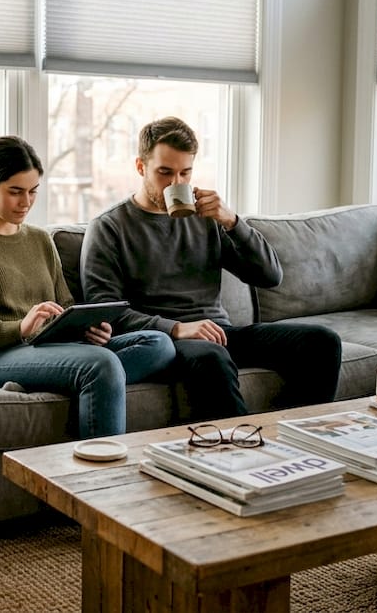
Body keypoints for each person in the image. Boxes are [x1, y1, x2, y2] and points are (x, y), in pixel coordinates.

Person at [80, 116, 341, 419]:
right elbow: (105, 309)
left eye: (185, 173)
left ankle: (292, 436)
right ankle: (239, 450)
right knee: (210, 356)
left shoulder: (206, 217)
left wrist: (232, 222)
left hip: (220, 332)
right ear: (141, 167)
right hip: (164, 341)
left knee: (321, 342)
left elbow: (270, 276)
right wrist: (176, 328)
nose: (177, 184)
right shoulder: (109, 227)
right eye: (165, 173)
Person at [0, 136, 176, 438]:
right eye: (15, 192)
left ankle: (68, 379)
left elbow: (65, 305)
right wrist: (20, 327)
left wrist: (86, 328)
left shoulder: (39, 240)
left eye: (33, 191)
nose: (26, 202)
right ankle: (97, 477)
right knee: (102, 364)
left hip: (47, 348)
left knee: (158, 344)